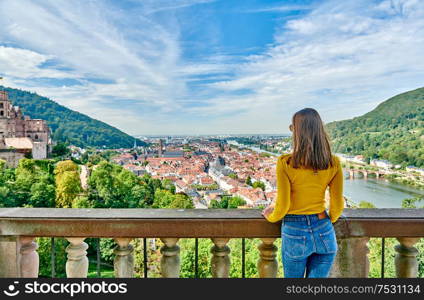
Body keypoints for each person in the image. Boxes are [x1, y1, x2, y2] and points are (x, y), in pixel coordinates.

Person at [262, 108, 344, 278]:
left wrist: (270, 216)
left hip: (295, 229)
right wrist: (329, 220)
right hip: (324, 229)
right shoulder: (334, 163)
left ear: (297, 133)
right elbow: (337, 205)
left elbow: (283, 205)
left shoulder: (286, 162)